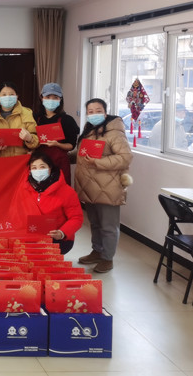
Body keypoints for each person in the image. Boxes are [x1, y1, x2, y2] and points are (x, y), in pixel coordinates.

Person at [75, 98, 133, 273]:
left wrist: (98, 162)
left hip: (108, 187)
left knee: (108, 226)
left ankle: (108, 258)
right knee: (95, 223)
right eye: (90, 112)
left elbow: (125, 157)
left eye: (98, 111)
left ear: (105, 113)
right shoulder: (89, 131)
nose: (94, 114)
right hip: (89, 187)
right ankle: (97, 251)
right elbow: (82, 155)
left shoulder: (114, 132)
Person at [14, 151, 83, 254]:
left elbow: (77, 218)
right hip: (29, 236)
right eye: (34, 168)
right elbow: (15, 213)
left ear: (50, 168)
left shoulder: (66, 191)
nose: (38, 171)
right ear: (29, 171)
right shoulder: (23, 189)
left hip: (56, 238)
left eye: (42, 167)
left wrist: (62, 232)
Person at [35, 83, 80, 184]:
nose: (51, 100)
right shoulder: (35, 118)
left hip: (59, 164)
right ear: (41, 98)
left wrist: (57, 144)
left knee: (61, 190)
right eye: (48, 97)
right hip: (39, 165)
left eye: (55, 97)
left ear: (60, 99)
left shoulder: (67, 120)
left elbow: (71, 146)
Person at [0, 81, 39, 157]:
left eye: (11, 94)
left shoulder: (26, 113)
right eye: (4, 95)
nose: (8, 97)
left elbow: (37, 141)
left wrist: (30, 138)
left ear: (17, 96)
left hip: (19, 159)